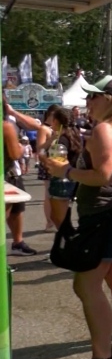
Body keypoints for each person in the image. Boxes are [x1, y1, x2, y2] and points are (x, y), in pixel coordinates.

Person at [42, 76, 112, 359]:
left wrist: (66, 171)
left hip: (106, 215)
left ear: (110, 100)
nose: (87, 102)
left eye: (93, 97)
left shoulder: (105, 129)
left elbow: (103, 175)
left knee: (86, 286)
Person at [10, 104, 54, 227]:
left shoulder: (54, 128)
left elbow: (35, 125)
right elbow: (40, 148)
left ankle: (54, 221)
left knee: (56, 195)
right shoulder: (44, 129)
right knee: (49, 194)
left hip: (56, 164)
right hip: (46, 164)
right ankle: (49, 222)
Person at [2, 102, 33, 256]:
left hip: (11, 174)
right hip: (6, 176)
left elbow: (35, 125)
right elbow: (15, 154)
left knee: (17, 210)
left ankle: (18, 242)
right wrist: (20, 147)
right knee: (5, 213)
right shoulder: (5, 126)